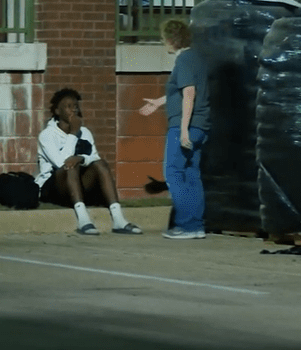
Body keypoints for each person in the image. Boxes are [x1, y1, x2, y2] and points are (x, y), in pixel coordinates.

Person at [139, 18, 210, 239]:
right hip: (201, 125)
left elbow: (189, 93)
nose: (163, 43)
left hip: (186, 125)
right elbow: (181, 92)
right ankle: (196, 225)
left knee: (173, 173)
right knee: (191, 174)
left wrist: (184, 129)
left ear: (171, 40)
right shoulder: (196, 58)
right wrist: (159, 102)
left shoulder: (184, 61)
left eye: (163, 39)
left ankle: (186, 225)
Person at [36, 88, 142, 235]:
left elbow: (95, 158)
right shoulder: (47, 135)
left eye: (75, 106)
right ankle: (83, 220)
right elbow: (62, 163)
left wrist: (81, 158)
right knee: (71, 167)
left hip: (78, 185)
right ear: (57, 111)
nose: (73, 110)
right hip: (53, 188)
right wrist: (73, 134)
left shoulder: (85, 132)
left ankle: (118, 219)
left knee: (101, 164)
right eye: (68, 106)